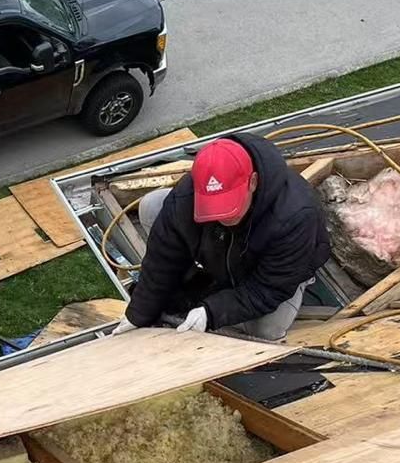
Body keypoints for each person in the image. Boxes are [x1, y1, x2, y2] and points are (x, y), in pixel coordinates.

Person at [114, 133, 331, 341]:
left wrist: (212, 312)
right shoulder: (187, 194)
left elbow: (268, 289)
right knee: (153, 205)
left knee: (266, 329)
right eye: (214, 208)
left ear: (252, 182)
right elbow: (163, 257)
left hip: (274, 276)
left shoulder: (295, 216)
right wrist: (138, 313)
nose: (223, 217)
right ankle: (203, 281)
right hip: (225, 252)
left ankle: (214, 289)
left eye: (230, 208)